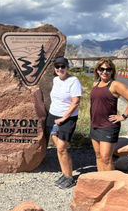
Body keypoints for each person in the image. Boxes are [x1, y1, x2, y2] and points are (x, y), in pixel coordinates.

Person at [90, 58, 128, 171]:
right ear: (97, 70)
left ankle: (111, 184)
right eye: (102, 69)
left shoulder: (115, 85)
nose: (104, 72)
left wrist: (123, 116)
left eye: (108, 69)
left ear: (112, 71)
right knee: (98, 156)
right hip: (94, 125)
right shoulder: (95, 84)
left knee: (106, 158)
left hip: (108, 127)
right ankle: (102, 181)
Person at [46, 57, 82, 189]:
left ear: (67, 67)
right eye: (57, 67)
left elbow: (75, 102)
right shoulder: (55, 80)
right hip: (53, 116)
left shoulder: (73, 81)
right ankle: (64, 173)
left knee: (62, 148)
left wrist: (63, 118)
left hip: (67, 118)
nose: (60, 69)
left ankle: (70, 178)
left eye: (63, 66)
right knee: (58, 148)